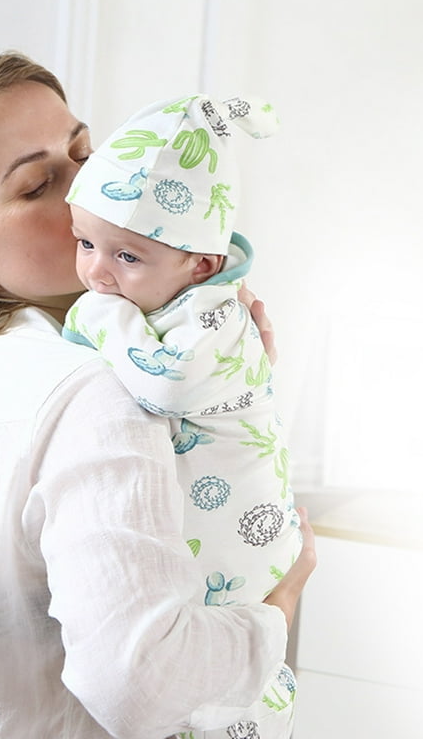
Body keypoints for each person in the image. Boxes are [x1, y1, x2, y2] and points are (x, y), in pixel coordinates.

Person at [0, 50, 316, 739]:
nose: (95, 188)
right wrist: (274, 615)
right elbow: (139, 684)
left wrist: (212, 380)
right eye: (39, 183)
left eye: (85, 153)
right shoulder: (91, 390)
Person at [61, 93, 302, 737]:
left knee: (224, 693)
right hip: (218, 526)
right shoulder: (172, 302)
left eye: (127, 256)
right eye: (85, 242)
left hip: (242, 530)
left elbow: (164, 387)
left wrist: (97, 317)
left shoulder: (216, 313)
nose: (95, 272)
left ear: (201, 263)